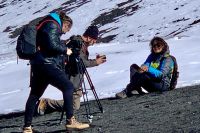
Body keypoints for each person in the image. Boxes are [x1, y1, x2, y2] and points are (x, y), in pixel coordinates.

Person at [23, 12, 89, 133]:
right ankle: (70, 121)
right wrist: (66, 50)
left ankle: (27, 128)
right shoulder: (53, 24)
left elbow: (48, 43)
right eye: (66, 29)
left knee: (34, 95)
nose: (64, 32)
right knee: (68, 86)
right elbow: (52, 45)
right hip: (47, 64)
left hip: (38, 64)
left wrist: (63, 45)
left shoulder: (46, 24)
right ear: (65, 24)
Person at [36, 25, 106, 115]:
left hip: (74, 77)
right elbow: (82, 63)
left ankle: (46, 105)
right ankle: (46, 103)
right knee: (74, 105)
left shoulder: (78, 42)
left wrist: (94, 60)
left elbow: (81, 60)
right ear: (89, 38)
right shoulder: (78, 44)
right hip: (72, 77)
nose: (94, 42)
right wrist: (96, 62)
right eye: (94, 40)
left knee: (75, 103)